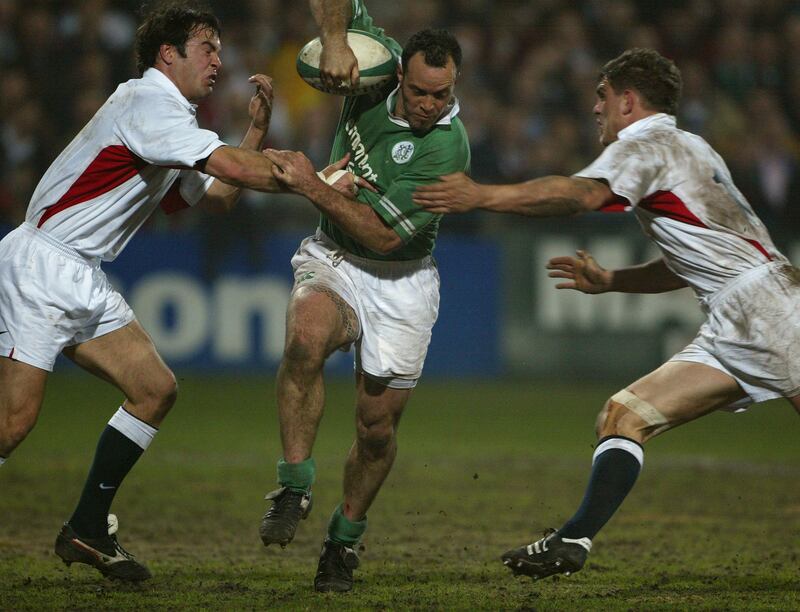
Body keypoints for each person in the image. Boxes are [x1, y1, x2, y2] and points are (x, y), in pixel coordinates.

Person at [414, 47, 800, 581]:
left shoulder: (649, 145)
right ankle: (572, 542)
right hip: (741, 314)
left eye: (602, 97)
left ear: (627, 99)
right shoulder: (690, 146)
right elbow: (691, 263)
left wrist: (481, 195)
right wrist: (613, 281)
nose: (595, 109)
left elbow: (581, 195)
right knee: (624, 417)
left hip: (771, 315)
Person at [0, 0, 310, 582]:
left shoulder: (170, 123)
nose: (219, 60)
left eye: (220, 48)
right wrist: (313, 184)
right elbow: (237, 174)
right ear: (168, 54)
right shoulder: (149, 102)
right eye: (207, 48)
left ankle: (87, 530)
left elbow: (215, 196)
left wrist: (257, 131)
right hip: (40, 270)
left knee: (154, 389)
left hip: (79, 275)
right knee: (11, 425)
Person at [257, 0, 469, 593]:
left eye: (443, 95)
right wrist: (334, 39)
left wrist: (311, 184)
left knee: (376, 430)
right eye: (423, 92)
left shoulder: (446, 149)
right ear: (401, 73)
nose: (431, 106)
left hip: (401, 278)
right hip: (336, 256)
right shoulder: (374, 63)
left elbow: (380, 232)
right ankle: (294, 485)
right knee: (304, 336)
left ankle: (342, 542)